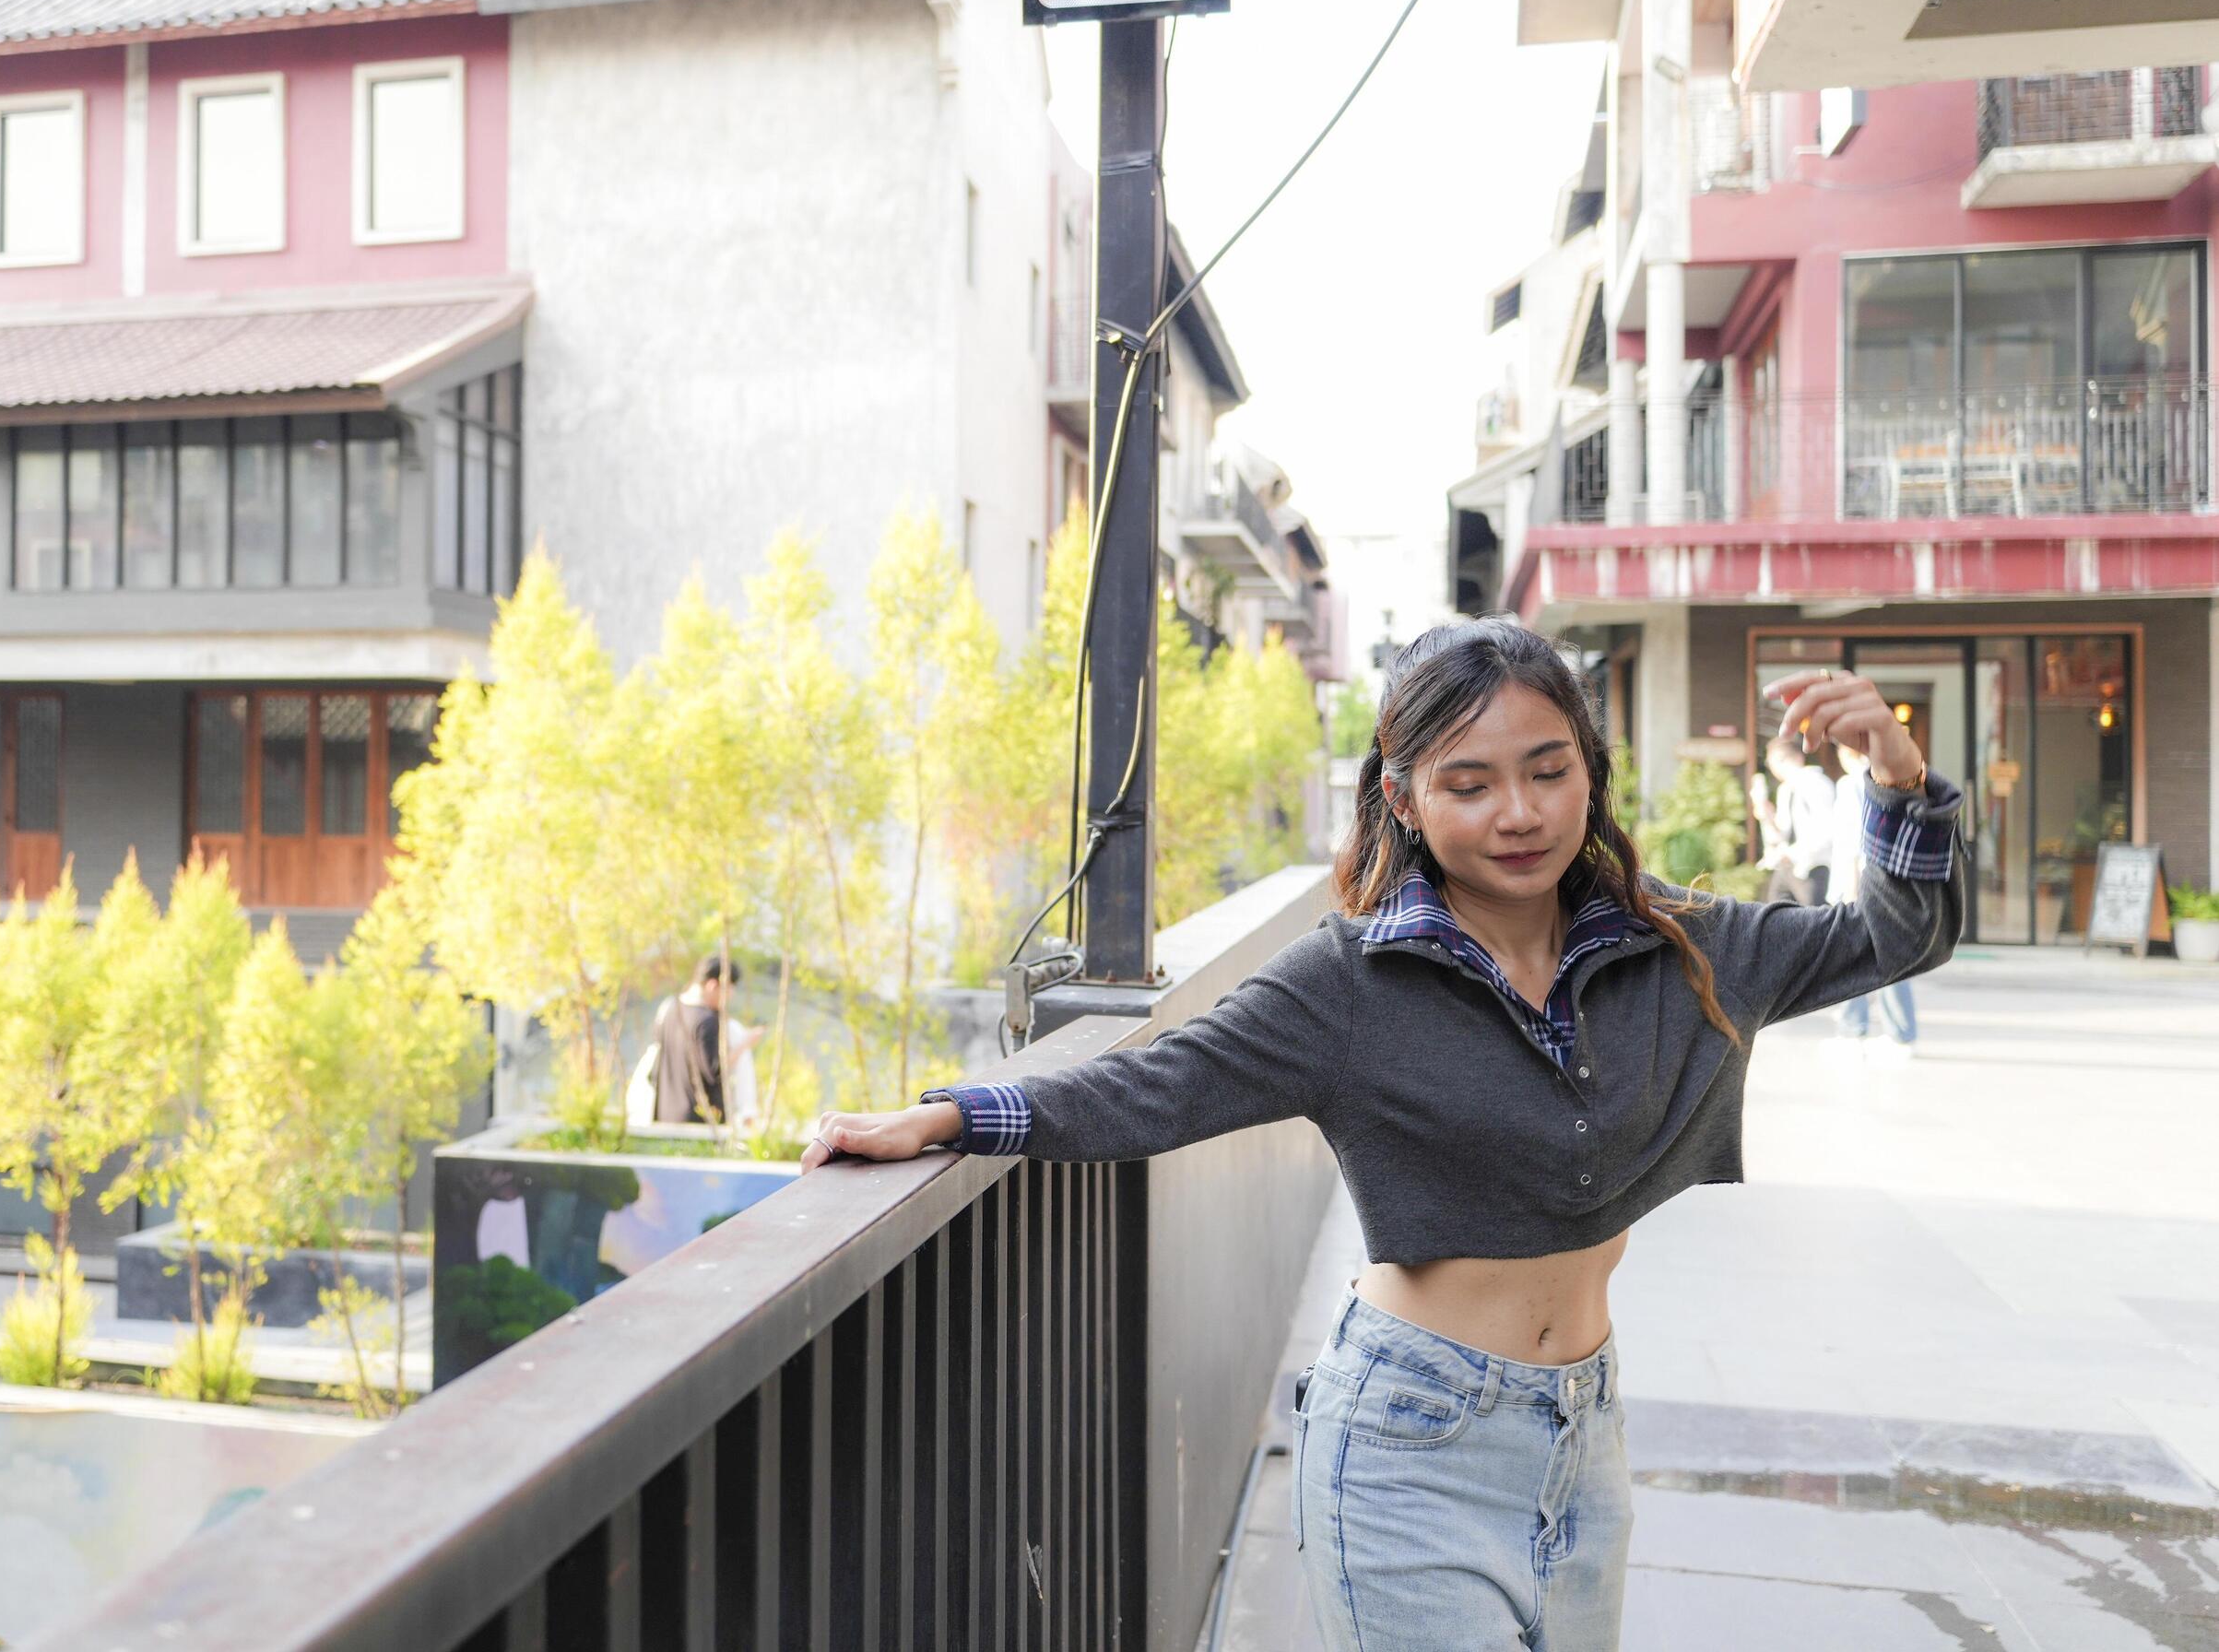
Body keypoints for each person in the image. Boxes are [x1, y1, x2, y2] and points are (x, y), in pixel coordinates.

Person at [799, 620, 1961, 1652]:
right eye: (1469, 783)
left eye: (1549, 770)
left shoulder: (1683, 944)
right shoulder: (1348, 984)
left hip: (1584, 1434)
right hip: (1411, 1442)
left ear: (1588, 774)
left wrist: (1897, 778)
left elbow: (1894, 941)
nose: (1519, 812)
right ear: (1403, 799)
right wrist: (957, 1114)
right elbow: (1161, 1084)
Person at [1828, 741, 1920, 1055]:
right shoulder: (1893, 782)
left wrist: (1851, 892)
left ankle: (1867, 1031)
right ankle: (1888, 1032)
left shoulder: (1852, 783)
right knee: (1879, 957)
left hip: (1862, 884)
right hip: (1888, 882)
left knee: (1864, 957)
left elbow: (1854, 842)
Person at [647, 954, 763, 1127]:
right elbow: (716, 1070)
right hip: (698, 1123)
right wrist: (745, 1043)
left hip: (665, 1115)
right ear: (713, 985)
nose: (730, 996)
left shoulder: (670, 1008)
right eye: (729, 989)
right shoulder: (706, 1021)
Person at [1753, 733, 1837, 906]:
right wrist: (1766, 814)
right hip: (1787, 866)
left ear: (1797, 758)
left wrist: (1791, 853)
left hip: (1814, 866)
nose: (1776, 768)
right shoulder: (1786, 789)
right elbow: (1780, 835)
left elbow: (1828, 831)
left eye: (1778, 761)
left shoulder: (1816, 782)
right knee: (1776, 913)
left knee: (1814, 923)